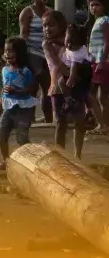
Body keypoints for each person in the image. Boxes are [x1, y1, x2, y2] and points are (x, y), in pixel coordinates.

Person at [0, 37, 38, 171]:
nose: (8, 54)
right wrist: (0, 105)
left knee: (22, 138)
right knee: (1, 136)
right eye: (6, 51)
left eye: (11, 51)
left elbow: (31, 89)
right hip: (8, 108)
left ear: (19, 53)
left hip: (23, 109)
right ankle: (5, 160)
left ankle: (30, 161)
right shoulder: (5, 70)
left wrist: (18, 91)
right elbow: (4, 88)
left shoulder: (25, 71)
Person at [51, 24, 92, 158]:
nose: (68, 44)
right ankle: (62, 155)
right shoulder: (72, 47)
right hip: (67, 84)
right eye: (66, 40)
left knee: (78, 121)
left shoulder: (76, 52)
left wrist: (72, 78)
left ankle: (77, 155)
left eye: (71, 42)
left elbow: (73, 69)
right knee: (61, 122)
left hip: (75, 82)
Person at [19, 0, 53, 123]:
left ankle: (49, 119)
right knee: (34, 83)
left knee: (48, 87)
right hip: (32, 50)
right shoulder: (27, 12)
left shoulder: (50, 12)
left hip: (48, 51)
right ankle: (29, 118)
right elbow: (23, 35)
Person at [89, 0, 109, 134]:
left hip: (102, 62)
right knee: (100, 96)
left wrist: (102, 61)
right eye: (91, 5)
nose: (94, 8)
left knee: (94, 94)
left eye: (97, 5)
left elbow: (108, 42)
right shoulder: (97, 21)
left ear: (103, 6)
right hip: (96, 61)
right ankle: (103, 125)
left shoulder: (105, 20)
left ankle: (103, 124)